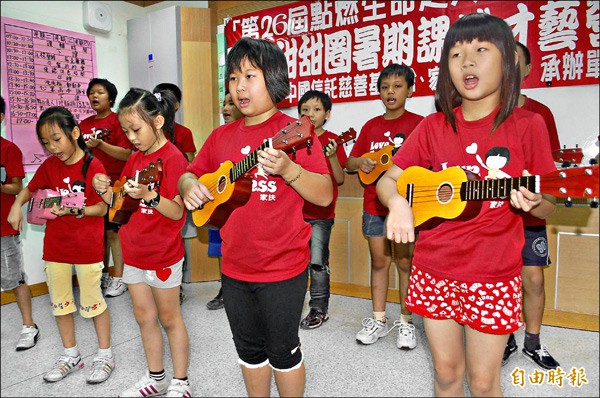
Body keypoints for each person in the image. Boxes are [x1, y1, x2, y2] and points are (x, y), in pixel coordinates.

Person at [376, 13, 557, 396]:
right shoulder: (434, 126)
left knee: (485, 382)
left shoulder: (528, 125)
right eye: (456, 54)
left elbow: (549, 205)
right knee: (445, 375)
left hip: (493, 274)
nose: (467, 61)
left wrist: (535, 201)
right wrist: (397, 204)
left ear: (507, 61)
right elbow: (389, 178)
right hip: (433, 268)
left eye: (480, 50)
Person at [178, 37, 333, 397]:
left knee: (282, 351)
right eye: (233, 78)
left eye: (250, 75)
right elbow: (190, 172)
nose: (239, 86)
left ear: (274, 79)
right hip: (233, 267)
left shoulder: (296, 133)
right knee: (248, 350)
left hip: (282, 268)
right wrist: (188, 186)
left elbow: (324, 195)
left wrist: (289, 169)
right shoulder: (221, 136)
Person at [92, 87, 192, 397]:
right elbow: (118, 203)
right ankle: (156, 377)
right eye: (126, 131)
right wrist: (102, 189)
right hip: (132, 252)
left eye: (136, 129)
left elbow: (177, 213)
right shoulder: (134, 159)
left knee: (169, 318)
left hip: (162, 254)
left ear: (158, 121)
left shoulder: (174, 159)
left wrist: (151, 195)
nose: (131, 137)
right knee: (143, 316)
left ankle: (181, 382)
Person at [7, 106, 114, 384]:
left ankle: (104, 355)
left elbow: (103, 208)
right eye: (45, 143)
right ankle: (71, 355)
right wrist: (17, 206)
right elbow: (29, 189)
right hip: (56, 248)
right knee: (61, 304)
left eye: (56, 139)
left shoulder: (94, 166)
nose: (52, 147)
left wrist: (75, 211)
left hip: (87, 248)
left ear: (74, 133)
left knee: (93, 303)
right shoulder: (50, 166)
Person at [345, 63, 423, 348]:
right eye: (385, 87)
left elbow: (428, 163)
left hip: (406, 207)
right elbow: (350, 163)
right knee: (379, 262)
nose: (390, 92)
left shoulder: (420, 124)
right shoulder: (371, 126)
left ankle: (406, 321)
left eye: (398, 86)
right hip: (373, 207)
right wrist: (361, 161)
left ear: (410, 90)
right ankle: (378, 319)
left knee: (405, 262)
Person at [502, 41, 561, 370]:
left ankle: (533, 342)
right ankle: (504, 337)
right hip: (492, 214)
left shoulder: (539, 114)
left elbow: (550, 169)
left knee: (533, 279)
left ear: (526, 69)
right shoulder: (480, 116)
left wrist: (539, 198)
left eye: (515, 62)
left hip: (529, 213)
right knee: (500, 280)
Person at [297, 90, 348, 329]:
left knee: (317, 262)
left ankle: (318, 308)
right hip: (293, 214)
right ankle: (292, 303)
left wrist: (333, 156)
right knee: (293, 262)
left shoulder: (333, 140)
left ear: (327, 114)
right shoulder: (292, 138)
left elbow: (339, 180)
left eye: (316, 110)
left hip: (320, 215)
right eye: (305, 110)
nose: (310, 114)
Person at [79, 78, 133, 298]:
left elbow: (128, 153)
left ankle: (119, 278)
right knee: (97, 233)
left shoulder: (117, 120)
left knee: (113, 232)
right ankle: (101, 273)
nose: (94, 96)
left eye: (100, 92)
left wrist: (101, 144)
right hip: (91, 186)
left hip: (116, 184)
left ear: (110, 97)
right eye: (91, 93)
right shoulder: (83, 124)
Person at [152, 82, 198, 306]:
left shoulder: (184, 133)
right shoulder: (148, 133)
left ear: (176, 105)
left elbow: (193, 165)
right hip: (153, 196)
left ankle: (175, 284)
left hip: (176, 194)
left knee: (175, 238)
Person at [1, 96, 39, 351]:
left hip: (3, 228)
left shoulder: (9, 149)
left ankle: (29, 326)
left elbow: (17, 186)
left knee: (14, 278)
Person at [205, 90, 244, 311]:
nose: (226, 108)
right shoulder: (218, 135)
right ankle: (224, 288)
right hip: (218, 201)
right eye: (224, 103)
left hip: (237, 202)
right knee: (219, 247)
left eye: (231, 103)